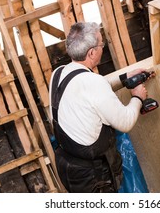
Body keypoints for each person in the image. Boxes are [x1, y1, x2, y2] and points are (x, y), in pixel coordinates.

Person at [49, 21, 152, 193]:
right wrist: (137, 98)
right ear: (91, 52)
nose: (102, 47)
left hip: (66, 164)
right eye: (101, 44)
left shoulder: (59, 72)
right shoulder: (93, 83)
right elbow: (125, 122)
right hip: (92, 177)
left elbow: (92, 91)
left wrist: (125, 77)